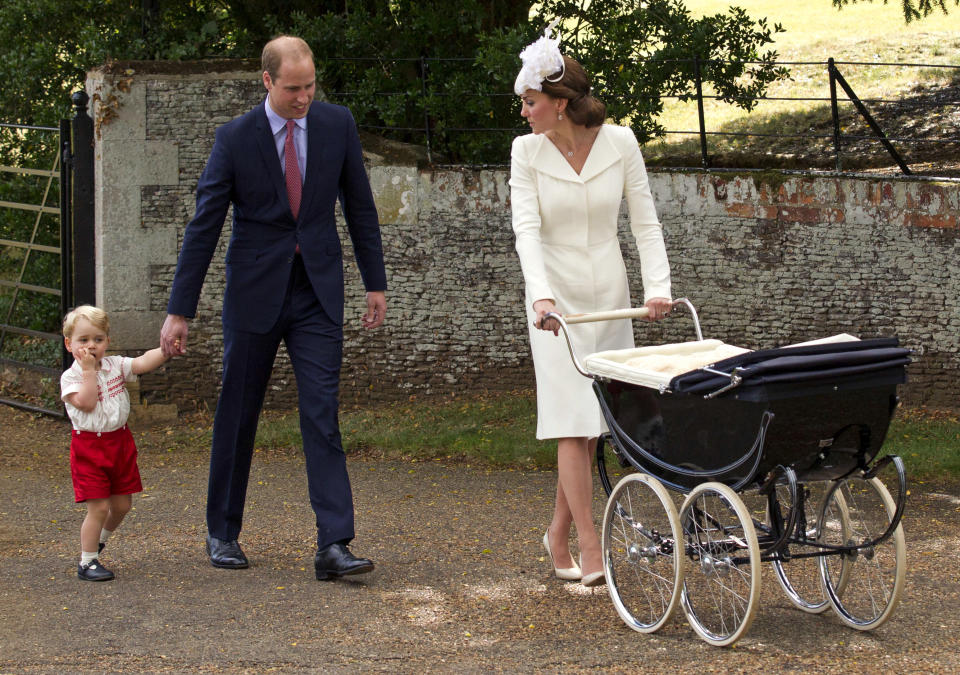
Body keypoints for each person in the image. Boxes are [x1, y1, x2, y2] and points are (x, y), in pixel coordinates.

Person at [160, 35, 387, 580]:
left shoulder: (338, 124)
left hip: (317, 293)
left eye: (309, 86)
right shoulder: (235, 138)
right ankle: (223, 532)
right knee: (237, 415)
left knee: (321, 415)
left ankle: (334, 544)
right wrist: (179, 310)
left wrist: (374, 283)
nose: (303, 97)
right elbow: (204, 225)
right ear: (267, 81)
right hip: (254, 295)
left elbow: (360, 204)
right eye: (292, 88)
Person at [509, 22, 673, 588]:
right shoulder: (525, 153)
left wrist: (658, 286)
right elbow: (526, 231)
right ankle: (588, 541)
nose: (523, 112)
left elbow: (644, 220)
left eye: (529, 102)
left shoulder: (621, 142)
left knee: (592, 422)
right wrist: (541, 295)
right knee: (568, 420)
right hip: (555, 304)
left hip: (610, 295)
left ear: (558, 104)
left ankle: (556, 531)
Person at [61, 305, 174, 581]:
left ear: (107, 342)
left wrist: (166, 350)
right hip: (89, 447)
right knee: (98, 507)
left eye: (98, 340)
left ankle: (98, 541)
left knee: (122, 506)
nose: (91, 346)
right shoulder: (71, 377)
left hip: (120, 443)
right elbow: (87, 403)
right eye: (83, 340)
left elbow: (142, 362)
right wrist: (88, 370)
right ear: (69, 344)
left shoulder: (115, 366)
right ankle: (87, 562)